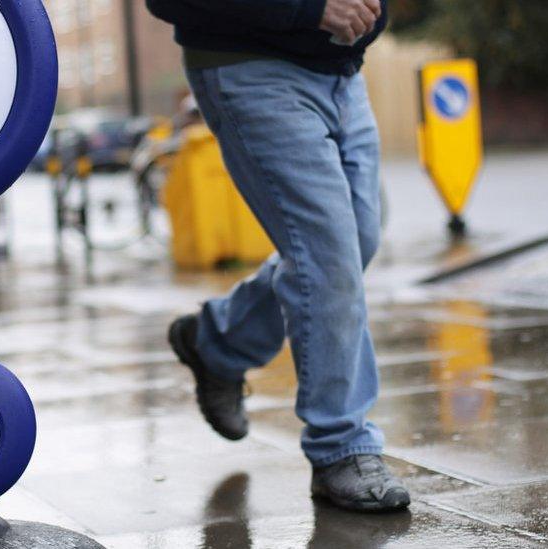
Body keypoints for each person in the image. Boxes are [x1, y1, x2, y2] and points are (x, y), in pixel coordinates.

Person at [147, 0, 411, 512]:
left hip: (342, 74)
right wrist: (309, 9)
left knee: (356, 241)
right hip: (251, 69)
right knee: (328, 258)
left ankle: (218, 341)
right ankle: (341, 447)